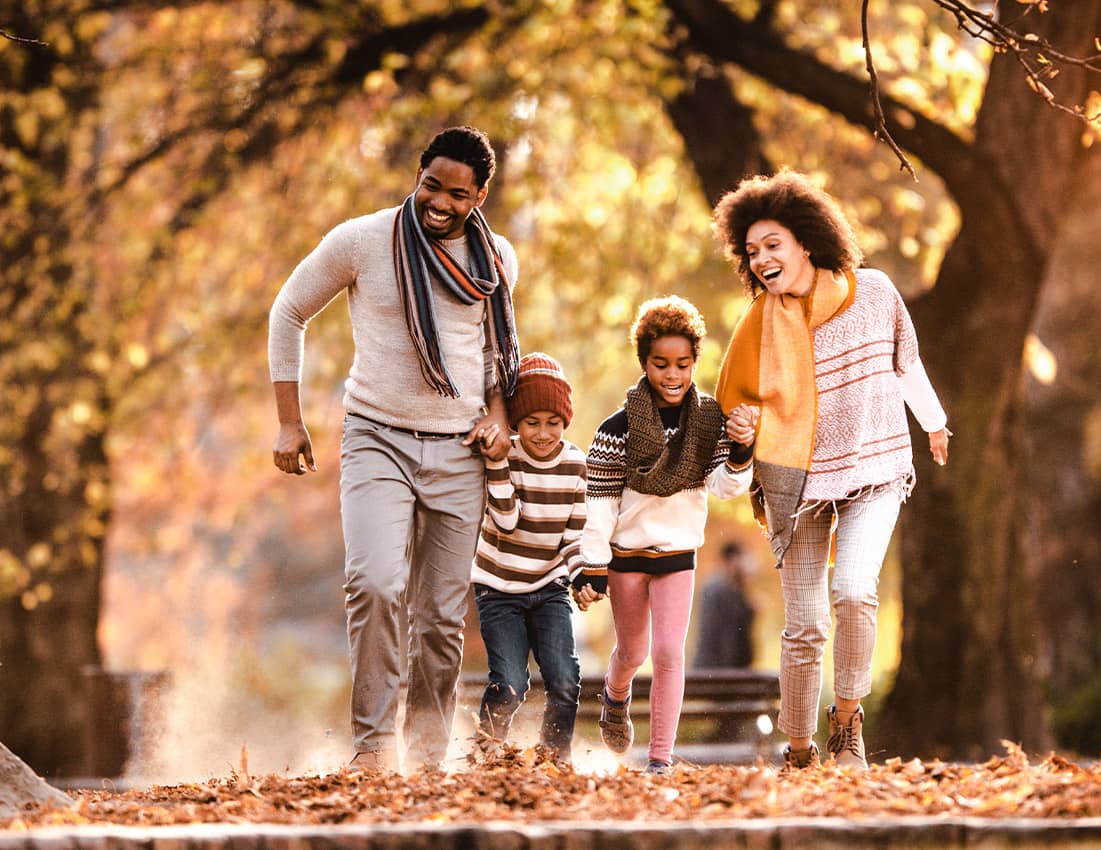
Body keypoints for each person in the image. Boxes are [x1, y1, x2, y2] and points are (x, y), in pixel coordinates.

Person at [268, 126, 519, 773]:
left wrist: (498, 418)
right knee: (375, 582)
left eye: (457, 194)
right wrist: (290, 422)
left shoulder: (496, 260)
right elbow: (288, 311)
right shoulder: (362, 241)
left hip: (460, 451)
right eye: (431, 185)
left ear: (479, 196)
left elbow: (495, 354)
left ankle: (428, 752)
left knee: (439, 617)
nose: (440, 202)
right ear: (418, 176)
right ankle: (374, 748)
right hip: (376, 438)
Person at [712, 170, 951, 771]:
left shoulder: (874, 292)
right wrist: (742, 433)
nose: (762, 259)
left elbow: (906, 363)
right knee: (805, 627)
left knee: (854, 590)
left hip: (876, 467)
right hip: (798, 485)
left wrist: (935, 423)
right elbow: (732, 411)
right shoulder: (759, 324)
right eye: (752, 252)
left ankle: (847, 722)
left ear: (806, 241)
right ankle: (799, 749)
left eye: (773, 244)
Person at [573, 295, 756, 775]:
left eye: (682, 364)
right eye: (661, 364)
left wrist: (741, 450)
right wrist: (593, 567)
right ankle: (615, 697)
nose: (672, 375)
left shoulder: (710, 422)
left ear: (695, 361)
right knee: (632, 652)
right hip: (627, 556)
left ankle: (659, 758)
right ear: (644, 363)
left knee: (670, 653)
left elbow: (724, 487)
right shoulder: (616, 430)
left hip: (677, 554)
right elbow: (600, 506)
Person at [470, 352, 586, 763]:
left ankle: (554, 757)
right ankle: (486, 752)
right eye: (532, 422)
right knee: (510, 684)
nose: (543, 433)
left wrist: (581, 577)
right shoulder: (507, 455)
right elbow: (506, 521)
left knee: (565, 678)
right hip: (498, 588)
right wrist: (497, 463)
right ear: (516, 422)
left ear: (565, 420)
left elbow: (574, 536)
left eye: (553, 422)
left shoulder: (575, 464)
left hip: (549, 587)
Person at [692, 541, 756, 670]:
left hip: (726, 668)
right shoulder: (717, 588)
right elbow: (720, 631)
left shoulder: (733, 587)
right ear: (733, 559)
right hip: (717, 668)